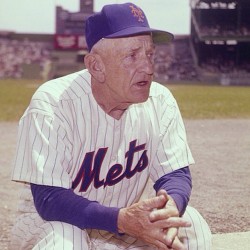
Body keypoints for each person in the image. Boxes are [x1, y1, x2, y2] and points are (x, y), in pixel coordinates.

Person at [10, 3, 211, 250]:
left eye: (150, 54)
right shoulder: (53, 103)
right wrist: (122, 220)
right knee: (67, 240)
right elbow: (49, 199)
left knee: (191, 224)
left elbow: (175, 174)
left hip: (123, 227)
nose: (148, 68)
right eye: (132, 56)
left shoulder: (161, 100)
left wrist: (170, 206)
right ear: (96, 66)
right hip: (48, 225)